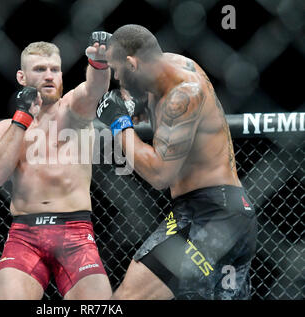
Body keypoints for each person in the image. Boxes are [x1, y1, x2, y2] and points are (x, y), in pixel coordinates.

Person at [96, 24, 257, 300]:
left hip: (209, 214)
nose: (117, 79)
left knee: (126, 299)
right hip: (230, 212)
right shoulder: (166, 69)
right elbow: (141, 73)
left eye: (118, 71)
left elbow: (160, 175)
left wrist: (118, 123)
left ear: (133, 64)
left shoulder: (184, 94)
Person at [0, 33, 113, 300]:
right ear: (22, 77)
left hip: (75, 233)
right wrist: (22, 119)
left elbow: (94, 89)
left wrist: (99, 63)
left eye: (54, 69)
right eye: (40, 69)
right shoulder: (6, 128)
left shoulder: (74, 111)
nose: (49, 75)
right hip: (25, 235)